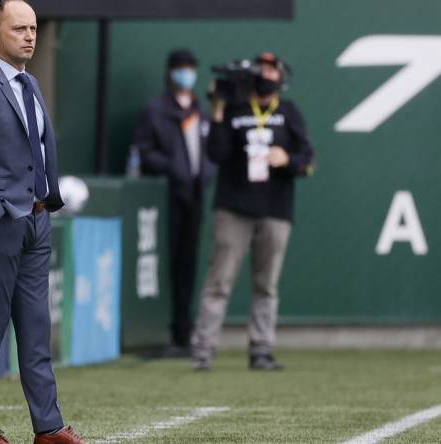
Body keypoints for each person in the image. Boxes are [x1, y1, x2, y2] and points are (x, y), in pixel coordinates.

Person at [0, 1, 84, 443]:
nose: (29, 35)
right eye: (19, 28)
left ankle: (48, 427)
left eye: (33, 28)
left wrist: (45, 202)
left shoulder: (31, 83)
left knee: (36, 329)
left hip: (37, 220)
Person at [190, 52, 314, 371]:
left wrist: (287, 159)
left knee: (267, 284)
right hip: (234, 207)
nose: (267, 74)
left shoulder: (289, 112)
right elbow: (216, 153)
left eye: (273, 69)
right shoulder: (234, 109)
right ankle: (203, 349)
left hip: (275, 208)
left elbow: (308, 159)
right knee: (219, 281)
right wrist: (217, 110)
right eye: (263, 68)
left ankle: (261, 349)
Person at [132, 48, 215, 357]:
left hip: (194, 196)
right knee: (166, 262)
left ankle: (184, 332)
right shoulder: (156, 111)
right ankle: (164, 332)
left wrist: (204, 174)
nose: (186, 74)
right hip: (165, 197)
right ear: (170, 72)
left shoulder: (201, 110)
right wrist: (173, 169)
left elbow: (211, 153)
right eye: (180, 68)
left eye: (190, 68)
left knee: (188, 265)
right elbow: (144, 151)